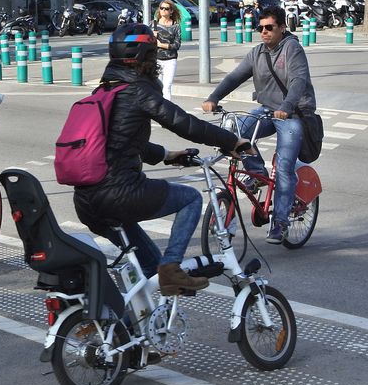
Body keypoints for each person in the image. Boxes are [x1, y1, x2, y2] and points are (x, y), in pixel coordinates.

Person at [73, 23, 250, 296]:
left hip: (87, 200)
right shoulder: (138, 91)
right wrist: (231, 141)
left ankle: (128, 331)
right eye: (153, 55)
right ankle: (172, 267)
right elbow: (184, 123)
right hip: (119, 193)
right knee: (190, 199)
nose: (156, 61)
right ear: (145, 58)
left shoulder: (104, 93)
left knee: (149, 268)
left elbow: (126, 142)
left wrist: (167, 155)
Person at [202, 5, 316, 245]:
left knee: (284, 167)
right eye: (260, 28)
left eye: (269, 27)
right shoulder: (257, 53)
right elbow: (234, 77)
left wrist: (286, 107)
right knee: (234, 130)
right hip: (266, 109)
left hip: (292, 113)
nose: (263, 32)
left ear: (282, 28)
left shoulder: (292, 49)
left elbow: (298, 81)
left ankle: (281, 222)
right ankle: (256, 172)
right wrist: (214, 98)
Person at [152, 0, 181, 101]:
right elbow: (146, 43)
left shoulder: (175, 26)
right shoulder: (154, 24)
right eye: (161, 8)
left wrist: (161, 45)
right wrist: (152, 37)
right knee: (157, 87)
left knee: (167, 87)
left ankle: (167, 112)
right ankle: (158, 111)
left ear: (171, 11)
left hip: (170, 60)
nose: (163, 10)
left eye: (166, 8)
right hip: (156, 60)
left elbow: (177, 45)